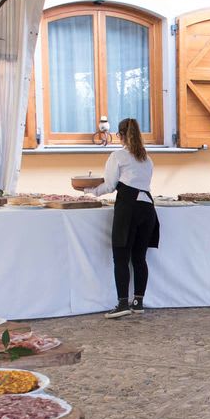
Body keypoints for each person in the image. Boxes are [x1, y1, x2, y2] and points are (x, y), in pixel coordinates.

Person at [90, 118, 159, 318]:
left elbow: (110, 185)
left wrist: (90, 191)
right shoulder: (147, 158)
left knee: (120, 257)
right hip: (148, 209)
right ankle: (138, 302)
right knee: (139, 258)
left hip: (129, 209)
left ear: (120, 135)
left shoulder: (118, 156)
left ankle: (122, 304)